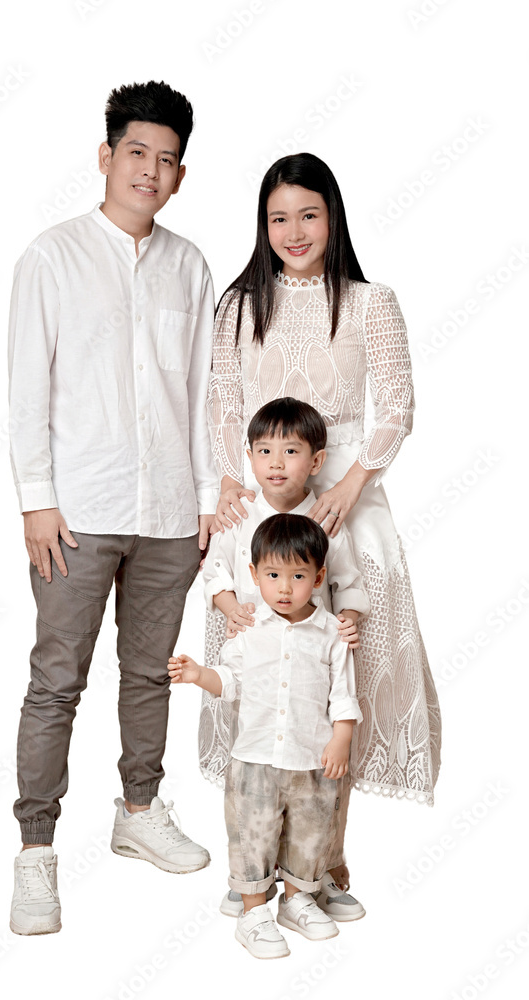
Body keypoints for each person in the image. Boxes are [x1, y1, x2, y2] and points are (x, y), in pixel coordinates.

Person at [7, 80, 219, 935]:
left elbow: (202, 393)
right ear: (105, 156)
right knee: (57, 680)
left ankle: (139, 811)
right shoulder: (52, 256)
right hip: (77, 512)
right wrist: (35, 500)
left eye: (166, 160)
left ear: (180, 175)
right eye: (136, 152)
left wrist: (206, 500)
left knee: (149, 673)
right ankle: (35, 852)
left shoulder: (189, 265)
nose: (149, 171)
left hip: (168, 512)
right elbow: (27, 389)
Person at [202, 151, 442, 893]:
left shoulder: (370, 302)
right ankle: (256, 863)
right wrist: (231, 483)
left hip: (344, 506)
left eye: (308, 214)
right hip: (263, 502)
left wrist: (352, 483)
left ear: (332, 216)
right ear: (262, 225)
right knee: (266, 673)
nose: (294, 231)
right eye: (278, 218)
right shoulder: (240, 304)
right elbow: (223, 402)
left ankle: (324, 858)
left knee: (339, 676)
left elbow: (396, 406)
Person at [201, 395, 369, 921]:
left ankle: (315, 873)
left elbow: (348, 583)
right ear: (249, 456)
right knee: (257, 770)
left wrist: (349, 619)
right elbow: (215, 573)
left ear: (315, 461)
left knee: (315, 773)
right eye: (264, 451)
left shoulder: (324, 518)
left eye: (291, 451)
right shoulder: (238, 515)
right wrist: (231, 609)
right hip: (256, 658)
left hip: (311, 659)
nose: (276, 463)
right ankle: (251, 875)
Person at [170, 513, 363, 959]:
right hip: (254, 758)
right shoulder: (248, 628)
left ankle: (297, 901)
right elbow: (231, 680)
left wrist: (341, 739)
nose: (284, 588)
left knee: (310, 834)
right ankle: (254, 911)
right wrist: (200, 675)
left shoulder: (332, 633)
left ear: (318, 578)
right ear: (254, 575)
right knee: (251, 836)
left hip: (312, 758)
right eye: (273, 575)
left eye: (298, 576)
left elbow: (343, 694)